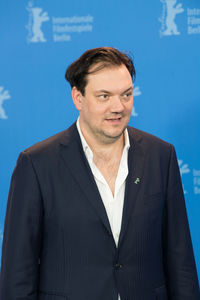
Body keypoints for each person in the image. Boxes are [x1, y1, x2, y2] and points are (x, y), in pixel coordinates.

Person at [0, 47, 199, 300]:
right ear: (78, 98)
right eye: (104, 96)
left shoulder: (161, 156)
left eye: (126, 94)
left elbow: (180, 260)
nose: (118, 106)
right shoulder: (37, 164)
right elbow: (17, 274)